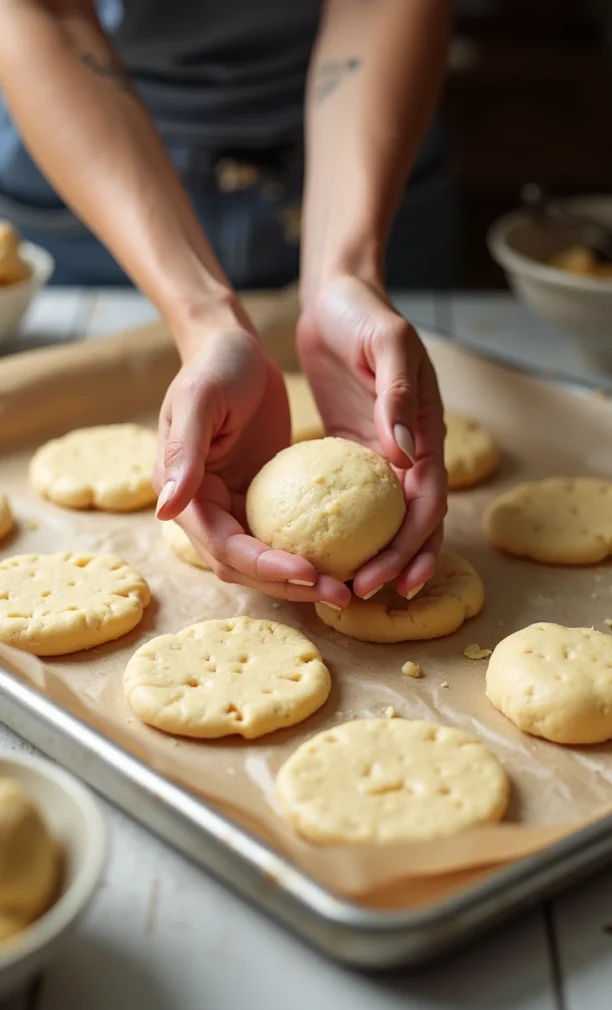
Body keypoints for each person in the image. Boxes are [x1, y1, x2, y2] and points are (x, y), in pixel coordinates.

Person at [0, 0, 451, 609]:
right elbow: (44, 13)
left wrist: (344, 276)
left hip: (362, 134)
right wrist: (203, 321)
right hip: (95, 140)